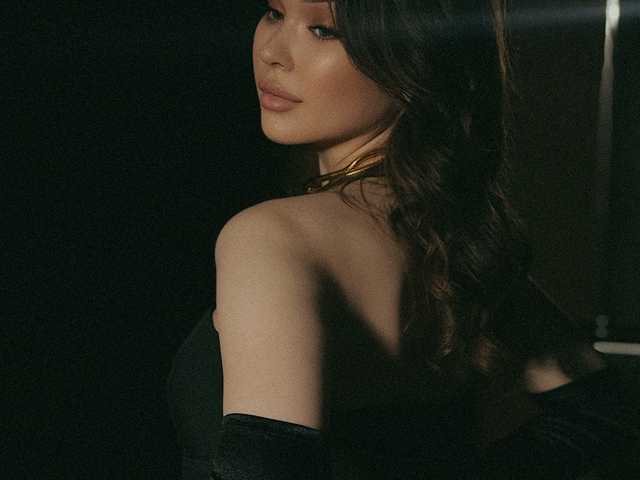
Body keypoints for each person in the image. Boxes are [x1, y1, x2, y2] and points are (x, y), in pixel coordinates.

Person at [167, 1, 640, 478]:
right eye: (274, 12)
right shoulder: (456, 239)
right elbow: (599, 414)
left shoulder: (271, 238)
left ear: (416, 57)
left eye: (324, 31)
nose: (273, 52)